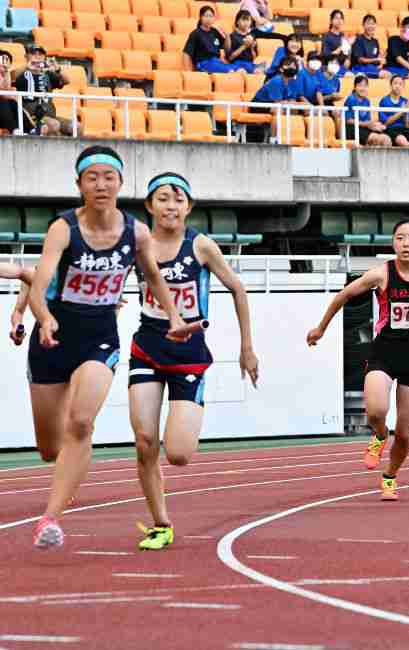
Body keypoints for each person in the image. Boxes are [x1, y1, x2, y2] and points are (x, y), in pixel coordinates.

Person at [28, 146, 188, 549]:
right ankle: (67, 463)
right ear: (79, 184)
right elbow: (39, 284)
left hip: (100, 334)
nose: (101, 184)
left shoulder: (136, 232)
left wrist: (173, 318)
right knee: (50, 447)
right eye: (92, 177)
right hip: (55, 334)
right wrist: (44, 318)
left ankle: (50, 518)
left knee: (82, 422)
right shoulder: (63, 229)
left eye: (108, 176)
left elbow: (153, 276)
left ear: (120, 182)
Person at [131, 172, 259, 551]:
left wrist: (246, 347)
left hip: (189, 354)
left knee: (179, 453)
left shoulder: (200, 245)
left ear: (189, 207)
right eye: (163, 199)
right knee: (143, 441)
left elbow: (237, 287)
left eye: (178, 200)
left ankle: (186, 421)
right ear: (149, 206)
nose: (171, 206)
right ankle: (161, 524)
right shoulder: (139, 244)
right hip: (148, 347)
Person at [306, 221, 409, 500]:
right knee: (376, 411)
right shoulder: (381, 274)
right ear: (393, 244)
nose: (406, 243)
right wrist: (321, 328)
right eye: (400, 238)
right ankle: (380, 436)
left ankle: (390, 477)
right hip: (384, 353)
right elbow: (344, 295)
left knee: (405, 434)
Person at [13, 46, 71, 136]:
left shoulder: (48, 73)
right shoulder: (21, 73)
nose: (37, 56)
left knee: (76, 126)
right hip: (31, 116)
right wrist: (28, 66)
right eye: (33, 53)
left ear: (44, 57)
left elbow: (67, 81)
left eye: (40, 54)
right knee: (54, 125)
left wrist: (58, 69)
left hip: (50, 115)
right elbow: (11, 77)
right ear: (26, 56)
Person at [184, 6, 242, 73]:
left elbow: (227, 49)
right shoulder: (195, 34)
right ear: (200, 17)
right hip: (204, 64)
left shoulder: (215, 32)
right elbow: (186, 53)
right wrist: (187, 71)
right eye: (206, 16)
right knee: (231, 71)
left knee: (240, 70)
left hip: (217, 62)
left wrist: (227, 36)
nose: (208, 18)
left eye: (211, 16)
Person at [344, 75, 392, 146]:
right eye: (360, 85)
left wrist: (375, 125)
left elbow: (368, 120)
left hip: (363, 128)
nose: (362, 88)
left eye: (365, 86)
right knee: (379, 139)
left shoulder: (367, 101)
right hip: (352, 128)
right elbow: (348, 121)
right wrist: (366, 124)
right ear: (355, 87)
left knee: (387, 138)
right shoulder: (351, 99)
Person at [351, 14, 391, 79]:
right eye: (368, 24)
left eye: (372, 24)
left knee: (391, 74)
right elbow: (360, 60)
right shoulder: (359, 39)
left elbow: (377, 59)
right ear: (363, 25)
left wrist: (381, 62)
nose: (370, 26)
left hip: (372, 68)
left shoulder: (375, 41)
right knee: (386, 75)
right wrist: (376, 59)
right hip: (360, 68)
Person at [378, 75, 409, 147]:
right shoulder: (384, 101)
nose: (397, 86)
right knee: (403, 141)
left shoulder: (405, 101)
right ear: (390, 86)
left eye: (400, 84)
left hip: (404, 129)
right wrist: (401, 111)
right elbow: (385, 123)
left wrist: (406, 112)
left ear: (403, 87)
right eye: (395, 83)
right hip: (391, 129)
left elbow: (407, 125)